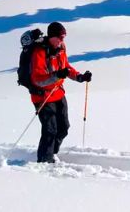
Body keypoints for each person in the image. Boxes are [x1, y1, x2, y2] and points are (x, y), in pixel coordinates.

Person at [30, 21, 92, 163]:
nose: (62, 41)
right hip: (42, 97)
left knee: (64, 127)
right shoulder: (39, 52)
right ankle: (45, 161)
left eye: (63, 37)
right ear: (51, 37)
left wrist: (79, 77)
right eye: (60, 37)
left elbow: (66, 67)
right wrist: (57, 75)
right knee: (50, 130)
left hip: (58, 94)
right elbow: (37, 79)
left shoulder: (61, 48)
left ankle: (51, 153)